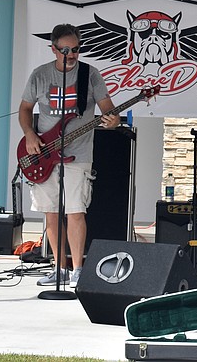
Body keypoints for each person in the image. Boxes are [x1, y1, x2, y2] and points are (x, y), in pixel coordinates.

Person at [18, 23, 120, 288]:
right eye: (65, 50)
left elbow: (109, 111)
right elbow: (25, 109)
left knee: (75, 211)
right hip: (43, 152)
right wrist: (29, 134)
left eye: (75, 49)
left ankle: (77, 271)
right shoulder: (40, 75)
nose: (71, 55)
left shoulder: (90, 74)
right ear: (53, 49)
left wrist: (113, 121)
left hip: (79, 153)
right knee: (51, 212)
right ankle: (59, 269)